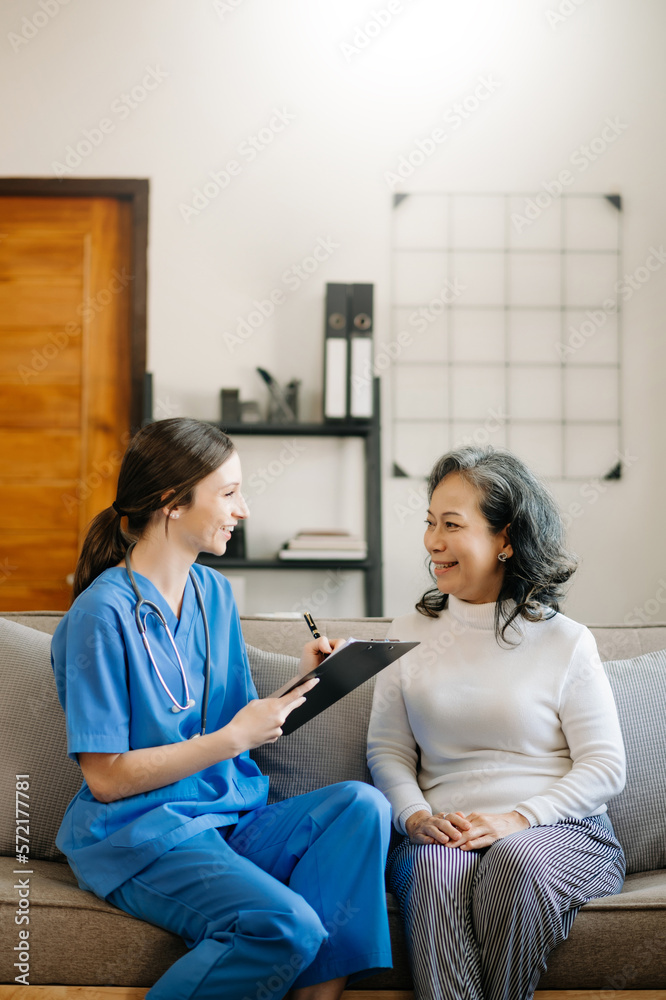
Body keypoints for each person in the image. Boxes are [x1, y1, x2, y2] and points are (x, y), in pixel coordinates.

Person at [51, 417, 392, 1000]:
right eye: (229, 492)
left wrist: (306, 681)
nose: (245, 509)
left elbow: (234, 720)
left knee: (362, 805)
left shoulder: (214, 594)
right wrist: (235, 737)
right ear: (171, 503)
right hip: (142, 833)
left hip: (226, 815)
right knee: (283, 925)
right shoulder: (99, 616)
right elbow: (106, 780)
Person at [366, 445, 626, 1000]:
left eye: (453, 524)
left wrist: (518, 818)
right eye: (431, 522)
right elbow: (387, 749)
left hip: (560, 835)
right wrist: (413, 818)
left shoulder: (565, 640)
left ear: (505, 538)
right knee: (434, 871)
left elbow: (605, 767)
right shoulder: (407, 632)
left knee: (514, 859)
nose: (433, 541)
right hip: (444, 831)